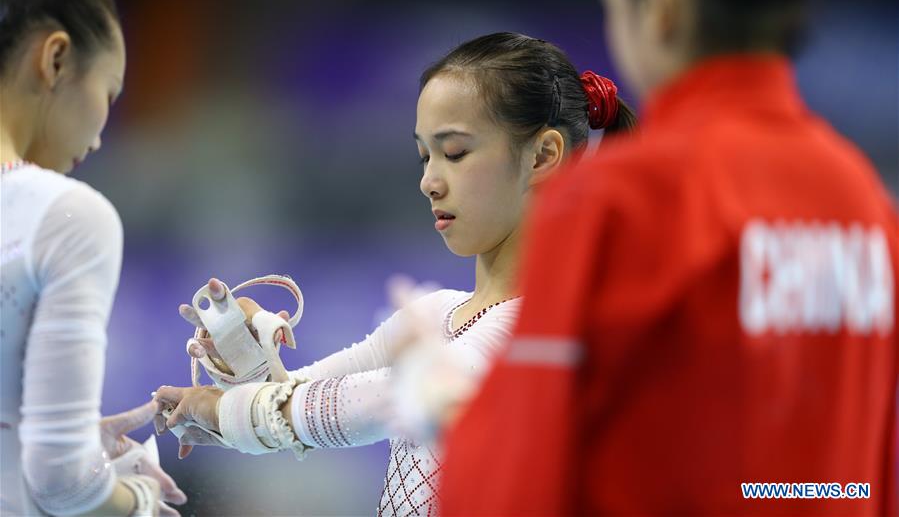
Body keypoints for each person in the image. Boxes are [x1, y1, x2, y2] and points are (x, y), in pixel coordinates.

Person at [438, 0, 898, 515]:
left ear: (659, 3)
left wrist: (448, 413)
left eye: (612, 4)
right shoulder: (863, 202)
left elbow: (507, 492)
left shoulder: (619, 197)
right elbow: (869, 481)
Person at [153, 31, 636, 516]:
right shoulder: (436, 314)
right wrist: (246, 357)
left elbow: (374, 403)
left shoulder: (550, 328)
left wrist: (226, 412)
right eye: (425, 156)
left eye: (455, 153)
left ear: (543, 155)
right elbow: (295, 402)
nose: (429, 181)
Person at [0, 0, 186, 515]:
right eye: (110, 93)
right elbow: (62, 483)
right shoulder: (65, 214)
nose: (103, 137)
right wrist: (136, 501)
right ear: (54, 59)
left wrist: (45, 426)